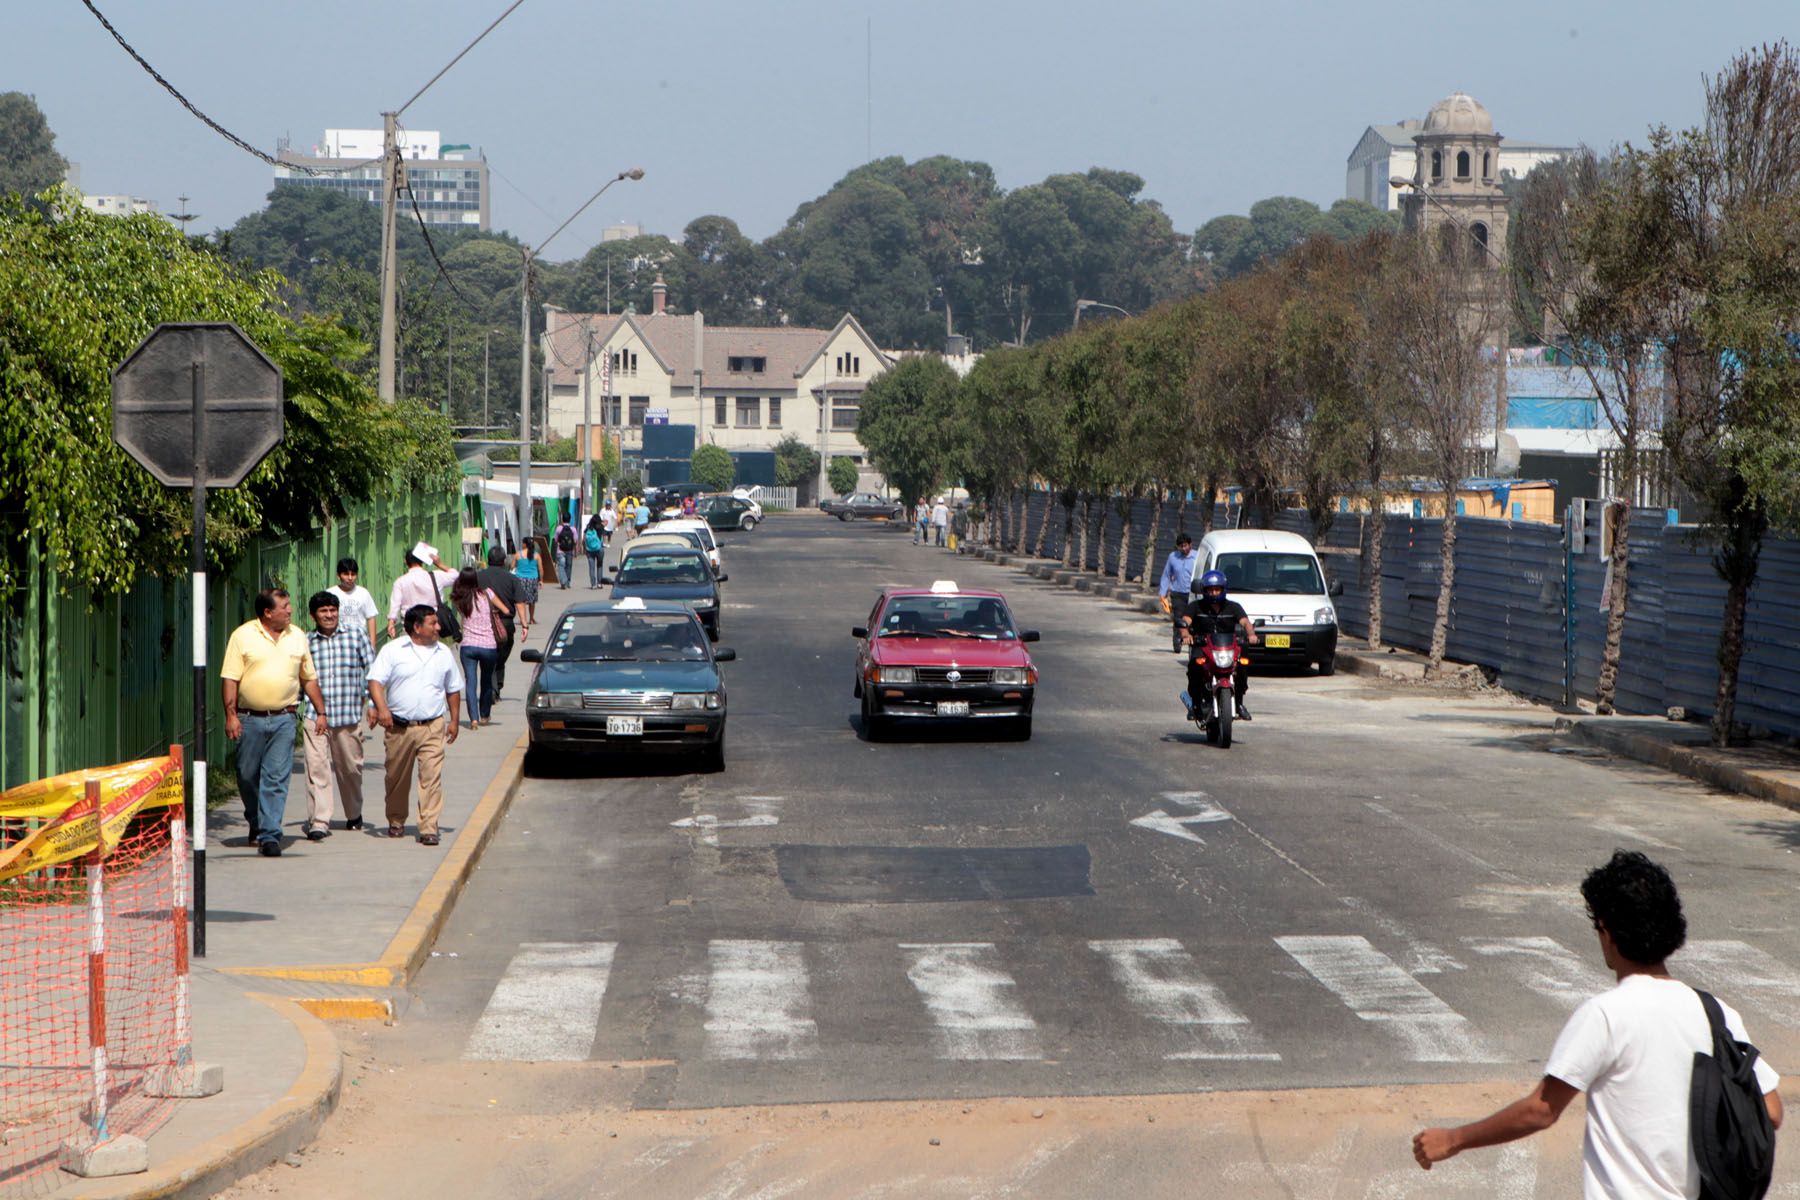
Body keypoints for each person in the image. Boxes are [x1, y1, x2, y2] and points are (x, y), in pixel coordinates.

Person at [1414, 850, 1783, 1196]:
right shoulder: (1716, 1011)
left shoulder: (1607, 1014)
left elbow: (1540, 1110)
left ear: (1606, 932)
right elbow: (1771, 1111)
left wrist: (1452, 1139)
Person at [220, 589, 328, 857]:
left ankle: (270, 834)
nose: (290, 610)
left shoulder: (297, 636)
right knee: (247, 775)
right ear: (268, 613)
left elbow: (309, 678)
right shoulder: (242, 636)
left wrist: (321, 711)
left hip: (284, 718)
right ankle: (256, 821)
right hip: (249, 718)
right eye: (284, 606)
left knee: (276, 778)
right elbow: (230, 679)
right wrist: (231, 715)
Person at [366, 604, 462, 845]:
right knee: (397, 777)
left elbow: (453, 689)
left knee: (431, 777)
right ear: (417, 628)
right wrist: (382, 709)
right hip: (399, 727)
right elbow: (375, 682)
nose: (438, 627)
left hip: (432, 725)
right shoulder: (393, 651)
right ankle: (396, 819)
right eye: (433, 623)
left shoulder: (443, 652)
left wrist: (455, 720)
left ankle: (429, 826)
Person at [301, 591, 373, 837]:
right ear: (314, 615)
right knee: (317, 768)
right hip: (315, 716)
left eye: (333, 610)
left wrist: (373, 702)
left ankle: (354, 813)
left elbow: (372, 670)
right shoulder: (307, 642)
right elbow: (300, 677)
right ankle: (319, 821)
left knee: (350, 769)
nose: (329, 615)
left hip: (348, 715)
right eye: (323, 611)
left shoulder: (356, 635)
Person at [1180, 569, 1258, 721]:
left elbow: (1245, 622)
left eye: (1217, 589)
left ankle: (1239, 702)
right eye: (1211, 590)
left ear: (1223, 589)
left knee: (1242, 666)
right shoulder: (1195, 606)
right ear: (1204, 590)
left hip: (1227, 647)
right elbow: (1185, 623)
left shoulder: (1233, 607)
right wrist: (1186, 635)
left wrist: (1251, 635)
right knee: (1195, 667)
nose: (1214, 593)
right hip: (1202, 646)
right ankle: (1195, 704)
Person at [450, 566, 510, 728]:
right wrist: (492, 612)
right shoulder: (487, 593)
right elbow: (506, 609)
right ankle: (484, 715)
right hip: (488, 645)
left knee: (470, 682)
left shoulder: (458, 599)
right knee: (486, 681)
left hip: (468, 646)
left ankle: (473, 719)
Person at [477, 547, 526, 698]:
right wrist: (525, 624)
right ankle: (496, 686)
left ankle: (493, 686)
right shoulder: (512, 579)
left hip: (484, 621)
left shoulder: (478, 577)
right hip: (505, 623)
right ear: (504, 561)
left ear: (488, 559)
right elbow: (519, 603)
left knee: (489, 656)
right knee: (500, 656)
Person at [385, 547, 456, 642]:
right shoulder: (436, 576)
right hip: (431, 625)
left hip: (410, 627)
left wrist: (391, 624)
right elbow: (457, 576)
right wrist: (439, 564)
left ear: (406, 562)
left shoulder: (400, 582)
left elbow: (395, 605)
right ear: (423, 561)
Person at [1157, 534, 1201, 653]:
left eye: (1185, 545)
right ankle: (1177, 641)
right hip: (1177, 594)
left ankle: (1194, 643)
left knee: (1194, 619)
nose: (1183, 549)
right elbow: (1166, 575)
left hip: (1193, 594)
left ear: (1190, 544)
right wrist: (1163, 593)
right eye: (1180, 546)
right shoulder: (1173, 557)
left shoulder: (1198, 557)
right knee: (1178, 619)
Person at [328, 557, 379, 645]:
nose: (350, 578)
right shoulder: (330, 593)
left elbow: (371, 618)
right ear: (338, 575)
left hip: (359, 642)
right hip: (337, 642)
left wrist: (372, 645)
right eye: (346, 574)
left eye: (353, 574)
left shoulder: (363, 593)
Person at [512, 540, 540, 634]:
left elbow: (512, 566)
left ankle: (522, 619)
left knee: (521, 600)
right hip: (533, 579)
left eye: (522, 542)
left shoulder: (518, 554)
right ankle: (531, 619)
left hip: (520, 579)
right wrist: (542, 580)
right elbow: (541, 568)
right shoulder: (536, 555)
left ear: (525, 544)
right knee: (532, 600)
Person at [583, 510, 606, 588]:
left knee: (591, 568)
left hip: (589, 550)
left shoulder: (588, 528)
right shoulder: (601, 527)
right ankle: (599, 583)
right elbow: (604, 537)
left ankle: (593, 584)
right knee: (600, 565)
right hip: (599, 549)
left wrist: (585, 549)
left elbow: (584, 539)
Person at [553, 515, 578, 589]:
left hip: (560, 550)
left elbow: (555, 540)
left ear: (562, 519)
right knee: (568, 566)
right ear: (569, 520)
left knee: (561, 566)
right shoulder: (573, 529)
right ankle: (568, 582)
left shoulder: (558, 528)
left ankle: (563, 582)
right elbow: (575, 540)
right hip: (570, 550)